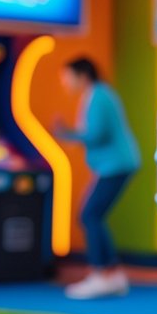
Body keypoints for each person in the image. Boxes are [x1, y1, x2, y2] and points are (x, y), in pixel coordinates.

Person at [56, 56, 141, 299]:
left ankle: (101, 274)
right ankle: (111, 274)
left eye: (67, 77)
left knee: (89, 215)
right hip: (113, 165)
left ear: (82, 76)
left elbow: (96, 134)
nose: (65, 82)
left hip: (116, 165)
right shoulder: (97, 94)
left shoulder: (99, 95)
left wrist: (68, 134)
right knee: (93, 215)